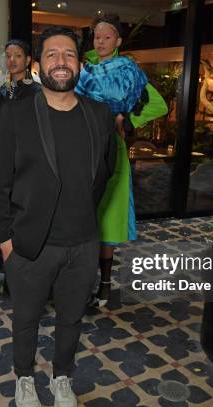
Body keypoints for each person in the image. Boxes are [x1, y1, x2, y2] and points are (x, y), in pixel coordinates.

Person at [0, 27, 116, 407]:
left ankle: (62, 377)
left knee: (71, 320)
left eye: (70, 54)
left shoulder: (100, 116)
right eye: (52, 54)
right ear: (39, 65)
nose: (61, 61)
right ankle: (24, 378)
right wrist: (7, 243)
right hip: (29, 245)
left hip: (83, 242)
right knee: (25, 319)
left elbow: (104, 174)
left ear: (80, 64)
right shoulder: (15, 114)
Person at [75, 12, 168, 307]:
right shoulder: (81, 64)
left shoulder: (127, 68)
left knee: (106, 221)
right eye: (97, 36)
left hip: (111, 151)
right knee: (80, 217)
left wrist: (126, 121)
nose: (100, 41)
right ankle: (78, 283)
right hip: (79, 148)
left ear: (118, 40)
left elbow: (158, 104)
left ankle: (103, 286)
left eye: (106, 37)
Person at [0, 39, 41, 287]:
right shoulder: (2, 91)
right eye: (8, 55)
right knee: (2, 212)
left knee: (23, 215)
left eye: (18, 55)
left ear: (28, 59)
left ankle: (25, 270)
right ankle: (8, 268)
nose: (12, 60)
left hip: (26, 164)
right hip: (3, 162)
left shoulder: (36, 91)